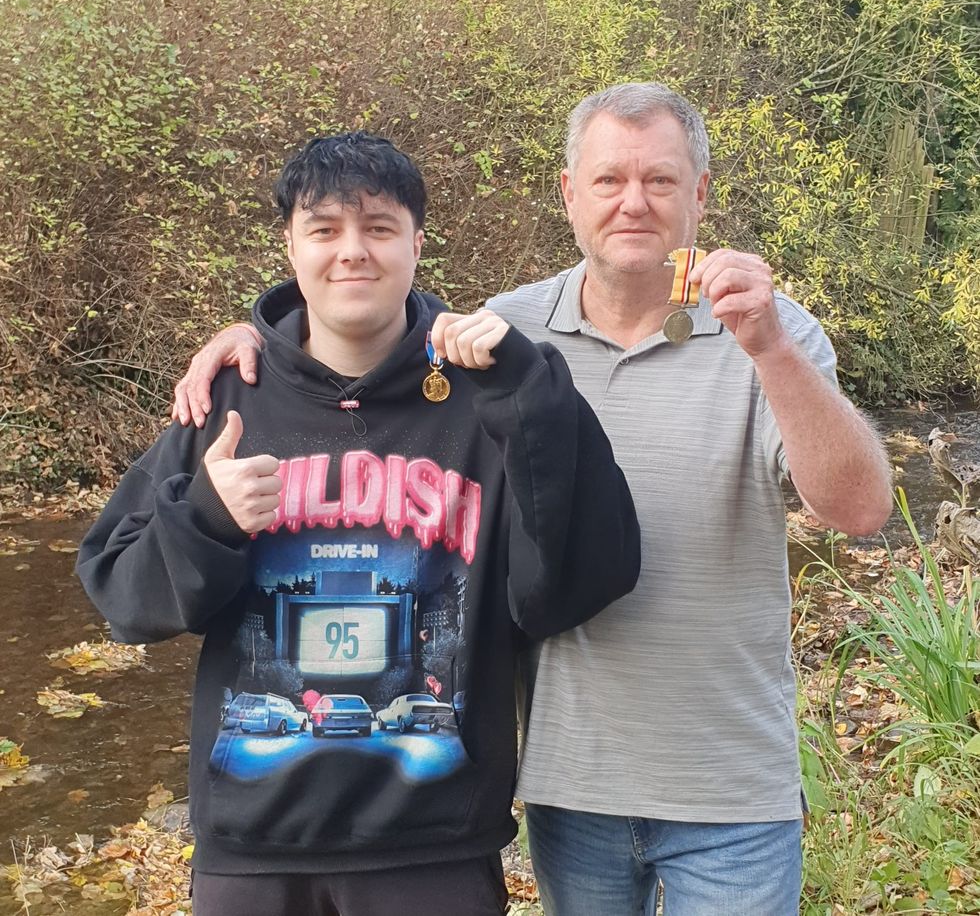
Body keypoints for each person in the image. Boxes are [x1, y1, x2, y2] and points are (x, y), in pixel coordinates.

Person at [172, 85, 893, 915]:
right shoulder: (505, 334)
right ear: (568, 194)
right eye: (608, 180)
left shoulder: (773, 331)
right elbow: (361, 325)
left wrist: (768, 349)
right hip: (568, 780)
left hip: (730, 784)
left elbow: (860, 510)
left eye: (660, 181)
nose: (633, 202)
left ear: (699, 194)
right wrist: (252, 342)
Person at [78, 131, 640, 916]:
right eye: (325, 229)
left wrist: (538, 406)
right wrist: (205, 518)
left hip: (435, 849)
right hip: (251, 854)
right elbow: (122, 598)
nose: (353, 252)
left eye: (378, 228)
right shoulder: (227, 397)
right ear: (290, 245)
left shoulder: (494, 393)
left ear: (417, 242)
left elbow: (577, 585)